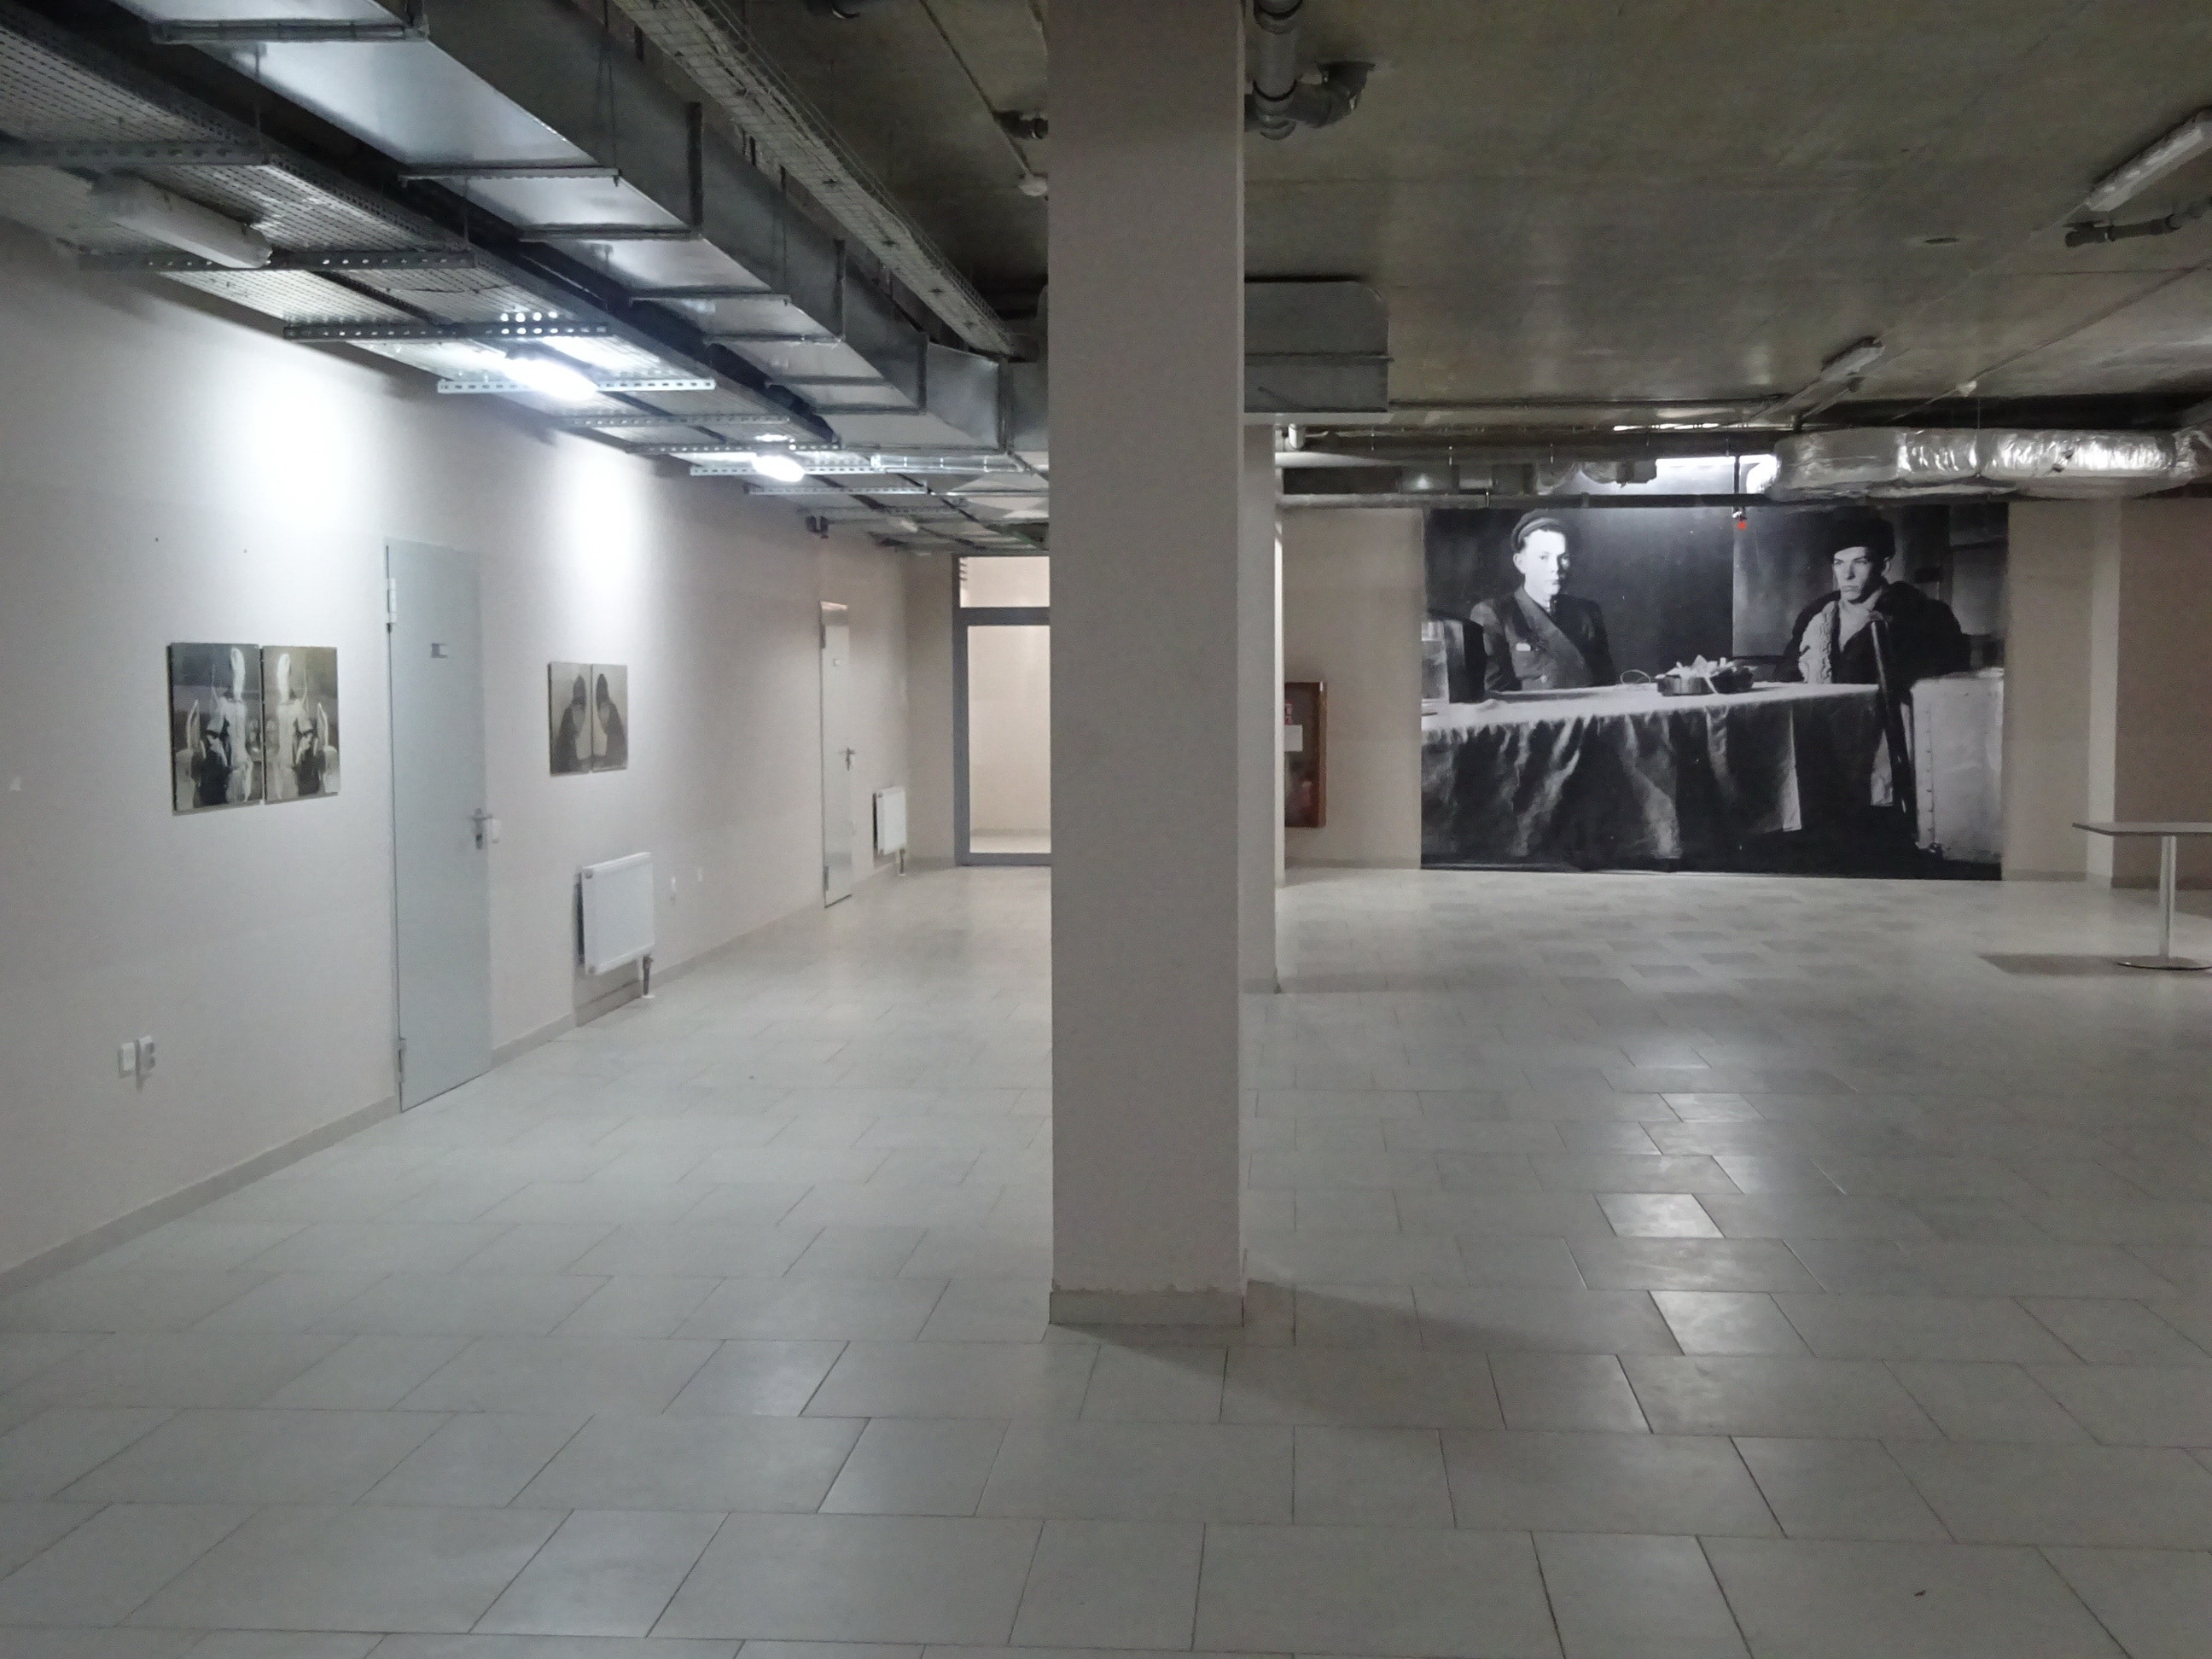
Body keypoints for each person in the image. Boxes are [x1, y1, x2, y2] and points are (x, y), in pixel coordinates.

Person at [1783, 510, 1969, 814]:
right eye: (1839, 563)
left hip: (1884, 759)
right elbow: (1787, 676)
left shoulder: (1920, 614)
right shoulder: (1816, 615)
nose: (1847, 575)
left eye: (1860, 562)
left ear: (1884, 565)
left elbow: (1939, 686)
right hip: (1823, 754)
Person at [1468, 512, 1615, 692]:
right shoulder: (1495, 614)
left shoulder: (1588, 612)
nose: (1555, 568)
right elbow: (1495, 693)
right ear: (1521, 563)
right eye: (1543, 557)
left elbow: (1606, 685)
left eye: (1564, 557)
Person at [551, 671, 590, 773]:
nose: (578, 693)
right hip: (566, 758)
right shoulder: (569, 712)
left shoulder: (581, 712)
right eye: (577, 690)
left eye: (580, 690)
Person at [593, 672, 628, 769]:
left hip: (615, 737)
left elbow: (605, 726)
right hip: (617, 738)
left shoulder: (606, 706)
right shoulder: (611, 705)